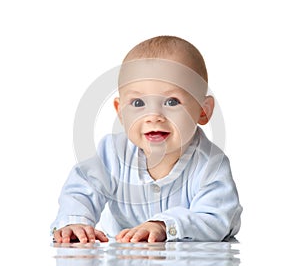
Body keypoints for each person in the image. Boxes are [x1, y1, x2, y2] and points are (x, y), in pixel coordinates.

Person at [51, 35, 242, 244]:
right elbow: (82, 189)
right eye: (138, 102)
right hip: (123, 255)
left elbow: (216, 218)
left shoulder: (210, 165)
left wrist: (163, 226)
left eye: (172, 101)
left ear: (203, 111)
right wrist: (76, 221)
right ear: (120, 112)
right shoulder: (113, 152)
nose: (153, 115)